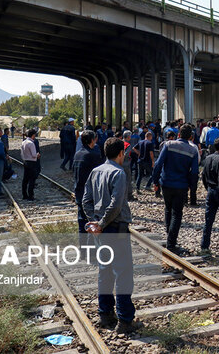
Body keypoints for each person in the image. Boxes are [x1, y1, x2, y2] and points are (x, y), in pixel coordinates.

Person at [83, 137, 140, 334]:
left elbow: (85, 200)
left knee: (104, 271)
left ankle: (105, 314)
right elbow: (116, 204)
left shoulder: (95, 172)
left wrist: (95, 223)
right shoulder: (119, 173)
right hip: (115, 229)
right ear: (120, 154)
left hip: (100, 231)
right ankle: (124, 320)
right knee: (123, 273)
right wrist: (101, 223)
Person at [152, 124, 199, 254]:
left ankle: (169, 236)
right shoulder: (193, 150)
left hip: (166, 184)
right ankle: (171, 243)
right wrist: (191, 186)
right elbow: (194, 172)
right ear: (190, 137)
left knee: (168, 209)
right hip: (181, 185)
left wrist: (156, 181)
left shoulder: (168, 145)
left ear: (178, 135)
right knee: (177, 214)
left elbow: (158, 164)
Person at [73, 130, 104, 236]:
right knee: (92, 224)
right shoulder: (92, 155)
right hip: (90, 195)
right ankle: (91, 250)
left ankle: (83, 250)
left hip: (79, 191)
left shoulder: (77, 154)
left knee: (81, 224)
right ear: (92, 140)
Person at [21, 129, 40, 201]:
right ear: (33, 135)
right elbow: (34, 155)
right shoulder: (31, 143)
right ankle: (30, 195)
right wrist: (37, 155)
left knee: (25, 179)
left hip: (25, 161)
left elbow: (22, 153)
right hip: (32, 162)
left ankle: (24, 195)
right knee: (32, 179)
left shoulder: (24, 142)